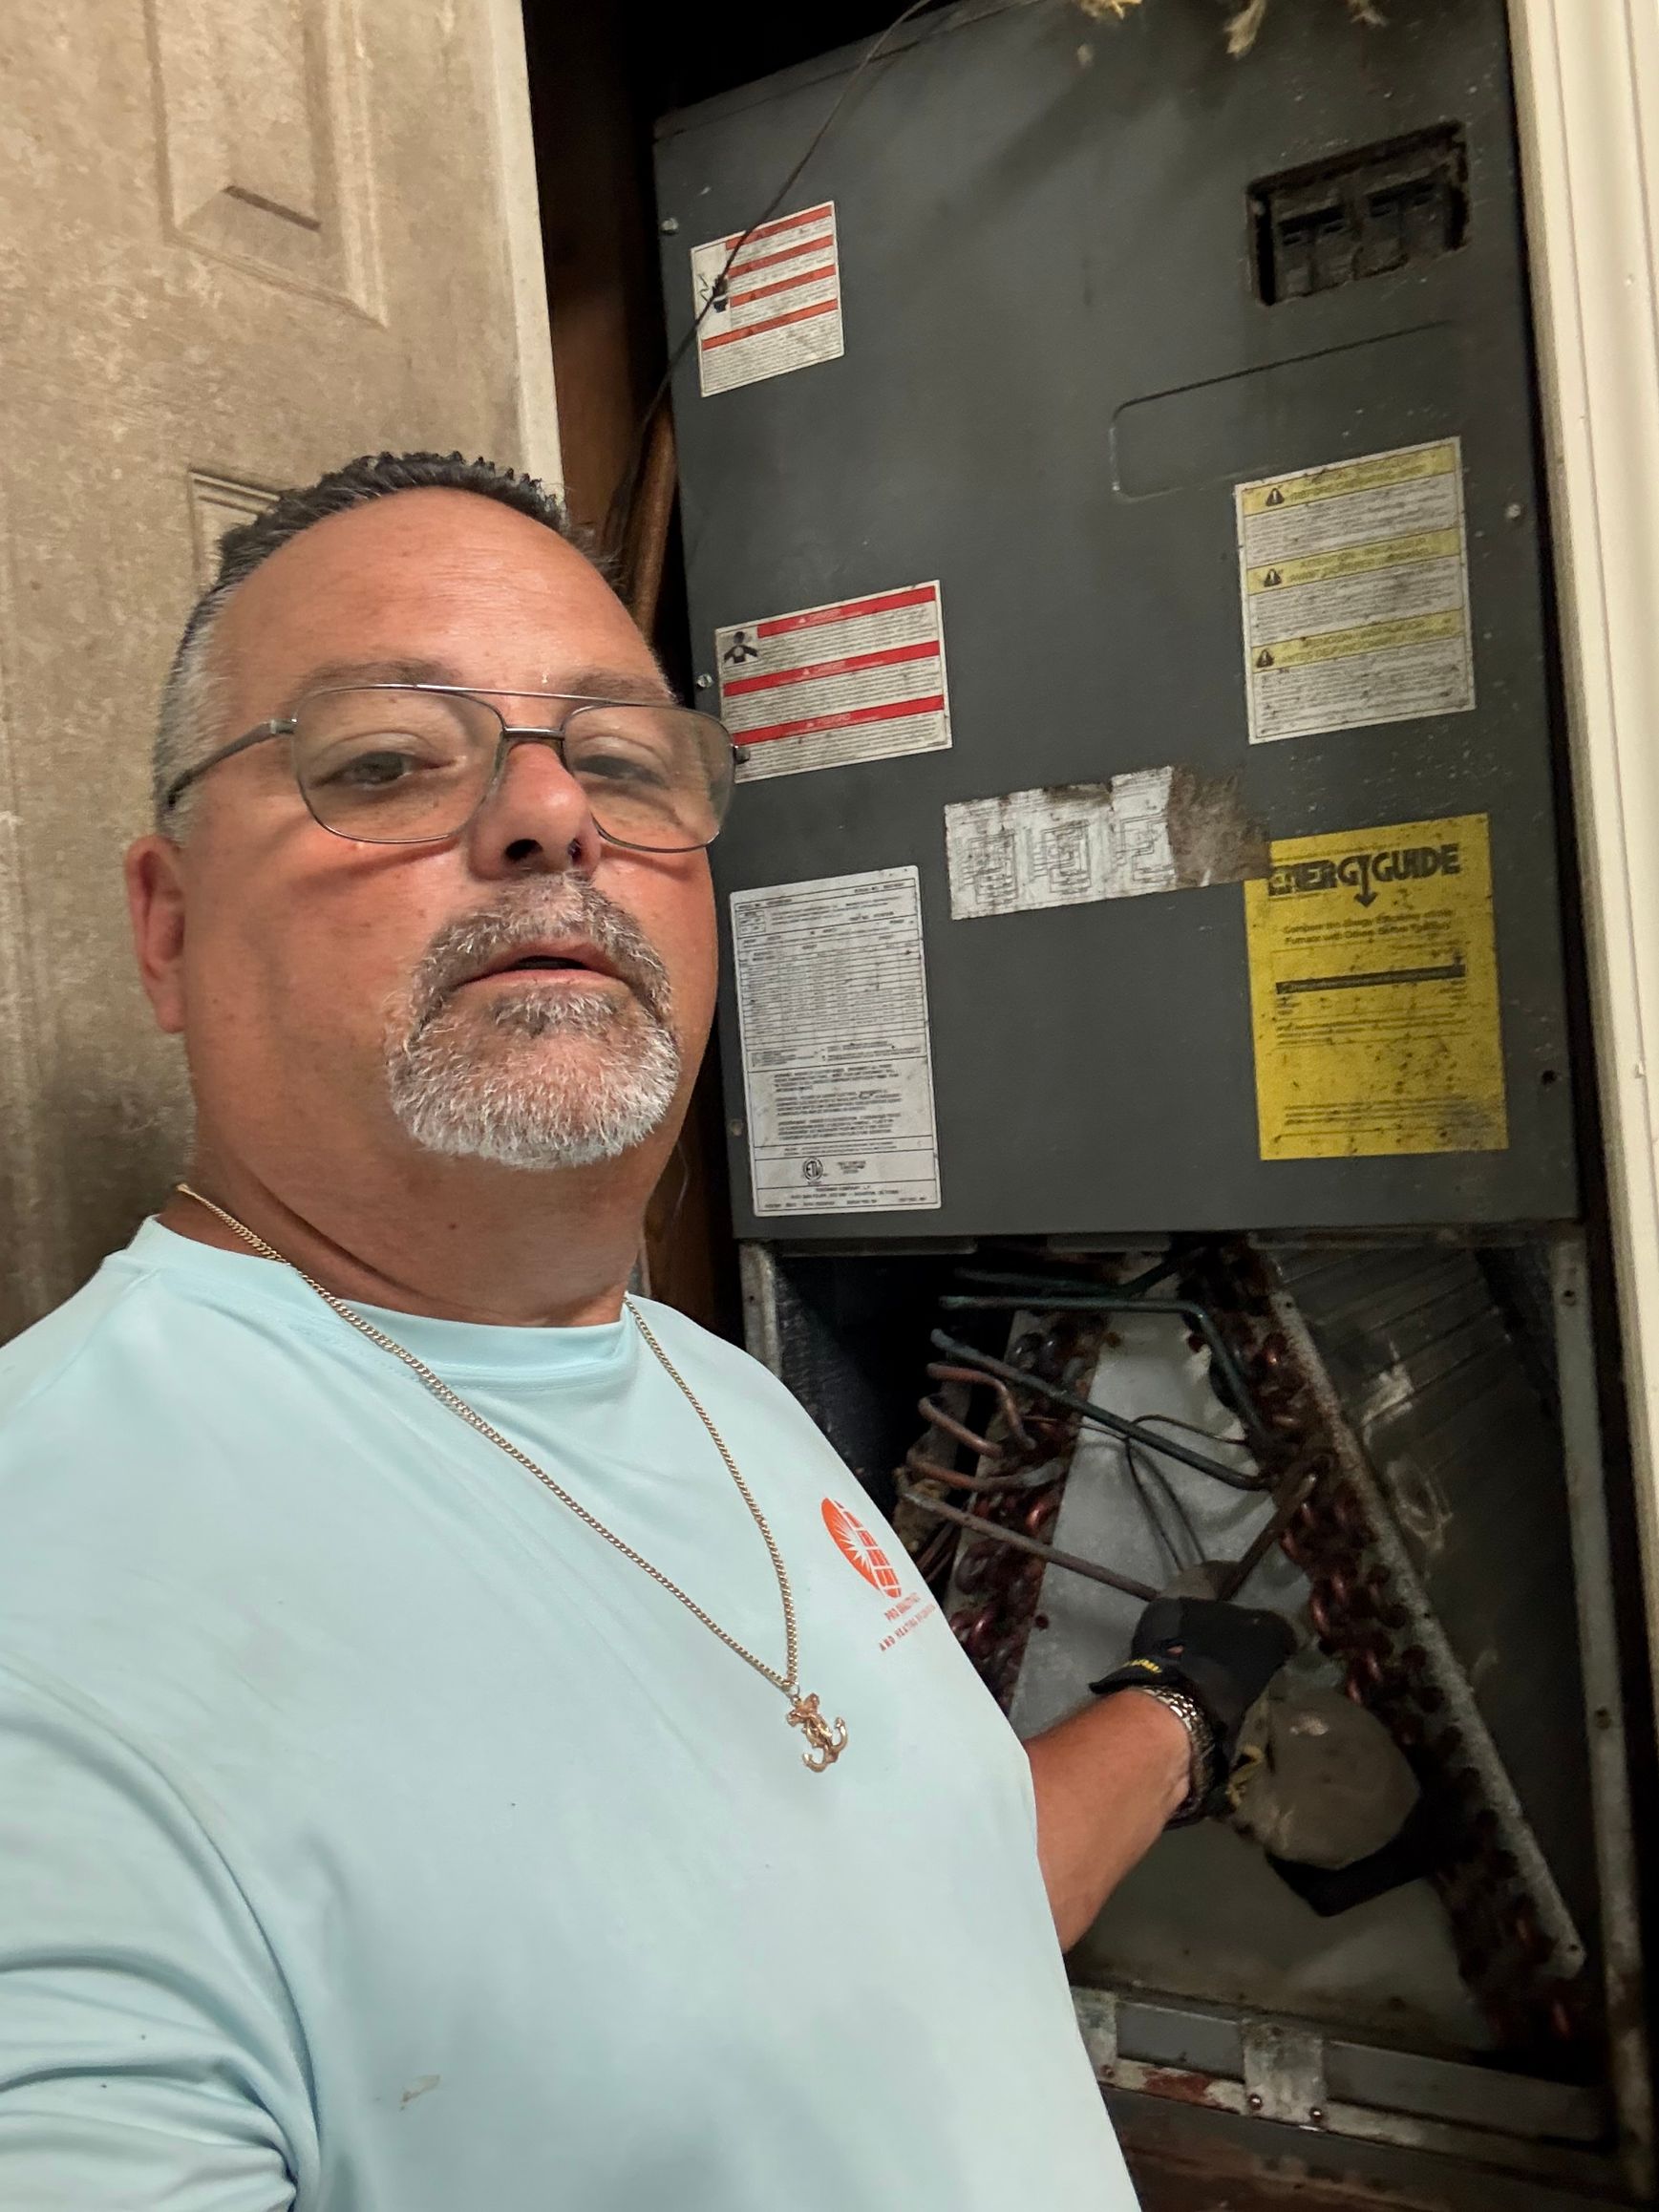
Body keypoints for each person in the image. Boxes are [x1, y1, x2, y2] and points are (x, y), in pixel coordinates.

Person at [0, 453, 1290, 2209]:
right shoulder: (52, 1602)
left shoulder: (714, 1391)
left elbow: (921, 1926)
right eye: (384, 759)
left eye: (617, 760)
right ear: (164, 928)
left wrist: (1170, 1714)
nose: (552, 818)